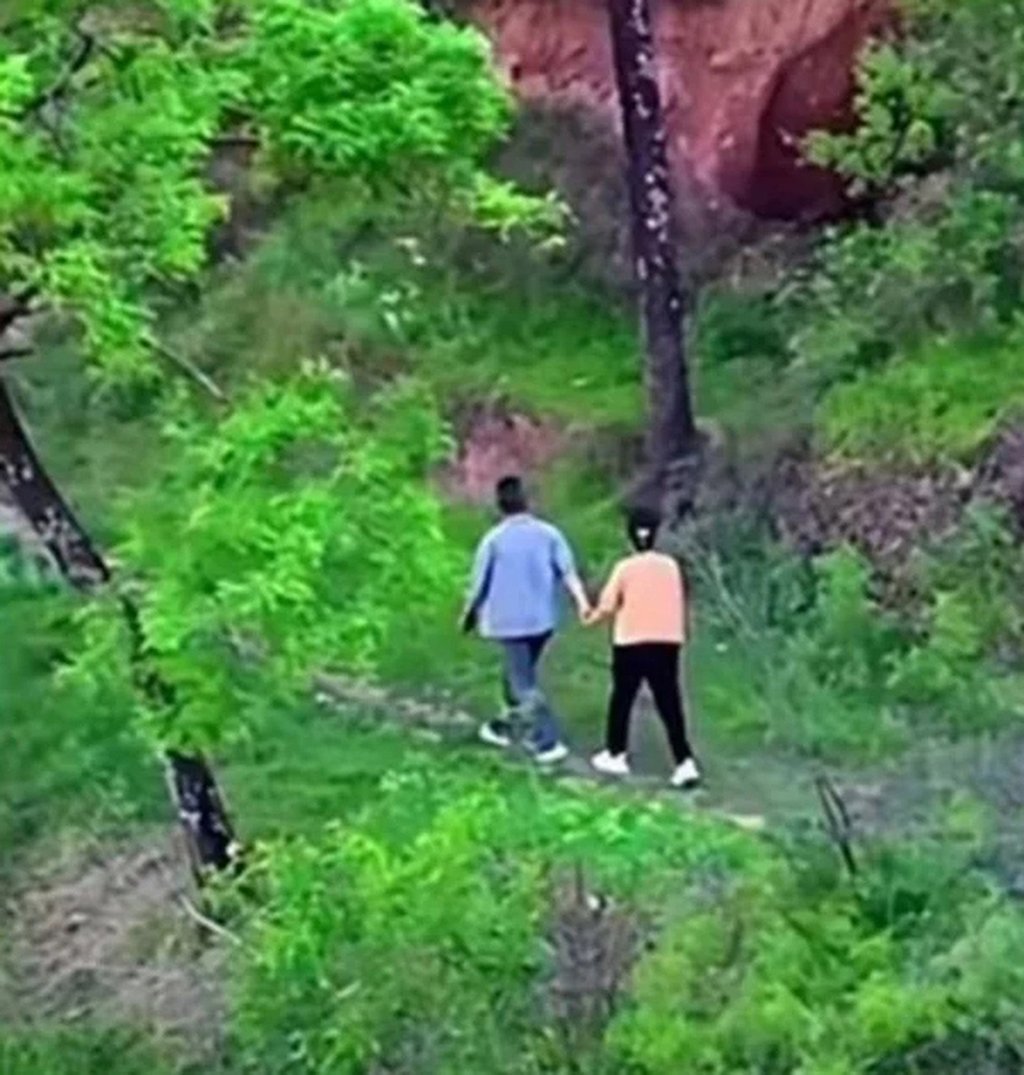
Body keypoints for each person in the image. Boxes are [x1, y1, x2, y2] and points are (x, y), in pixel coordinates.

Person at [461, 475, 590, 764]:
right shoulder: (549, 534)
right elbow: (568, 572)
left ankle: (548, 739)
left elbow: (478, 584)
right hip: (541, 621)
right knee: (517, 677)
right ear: (526, 501)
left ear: (499, 505)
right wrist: (582, 603)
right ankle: (504, 727)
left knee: (522, 685)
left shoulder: (493, 540)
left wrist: (468, 616)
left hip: (508, 623)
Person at [585, 505, 701, 788]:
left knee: (623, 698)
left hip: (631, 641)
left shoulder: (625, 568)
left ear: (630, 537)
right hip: (667, 640)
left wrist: (592, 617)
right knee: (669, 701)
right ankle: (684, 761)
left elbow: (609, 605)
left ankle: (616, 752)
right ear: (657, 535)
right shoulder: (670, 566)